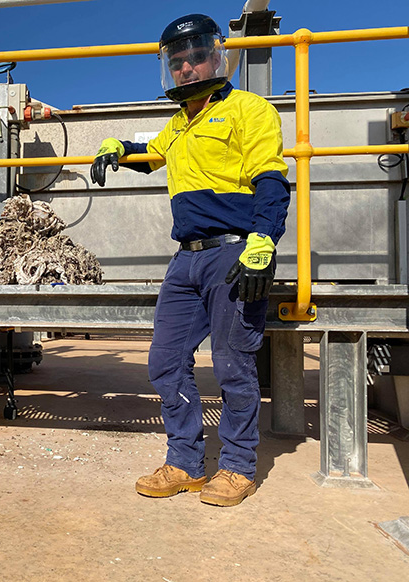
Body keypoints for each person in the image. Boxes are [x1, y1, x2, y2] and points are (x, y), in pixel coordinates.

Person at [91, 14, 290, 506]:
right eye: (176, 61)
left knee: (232, 364)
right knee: (164, 361)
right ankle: (184, 462)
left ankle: (239, 466)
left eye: (196, 56)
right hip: (187, 260)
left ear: (217, 56)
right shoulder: (179, 124)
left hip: (234, 252)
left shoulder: (249, 110)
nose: (186, 68)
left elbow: (271, 179)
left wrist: (263, 241)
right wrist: (119, 148)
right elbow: (151, 153)